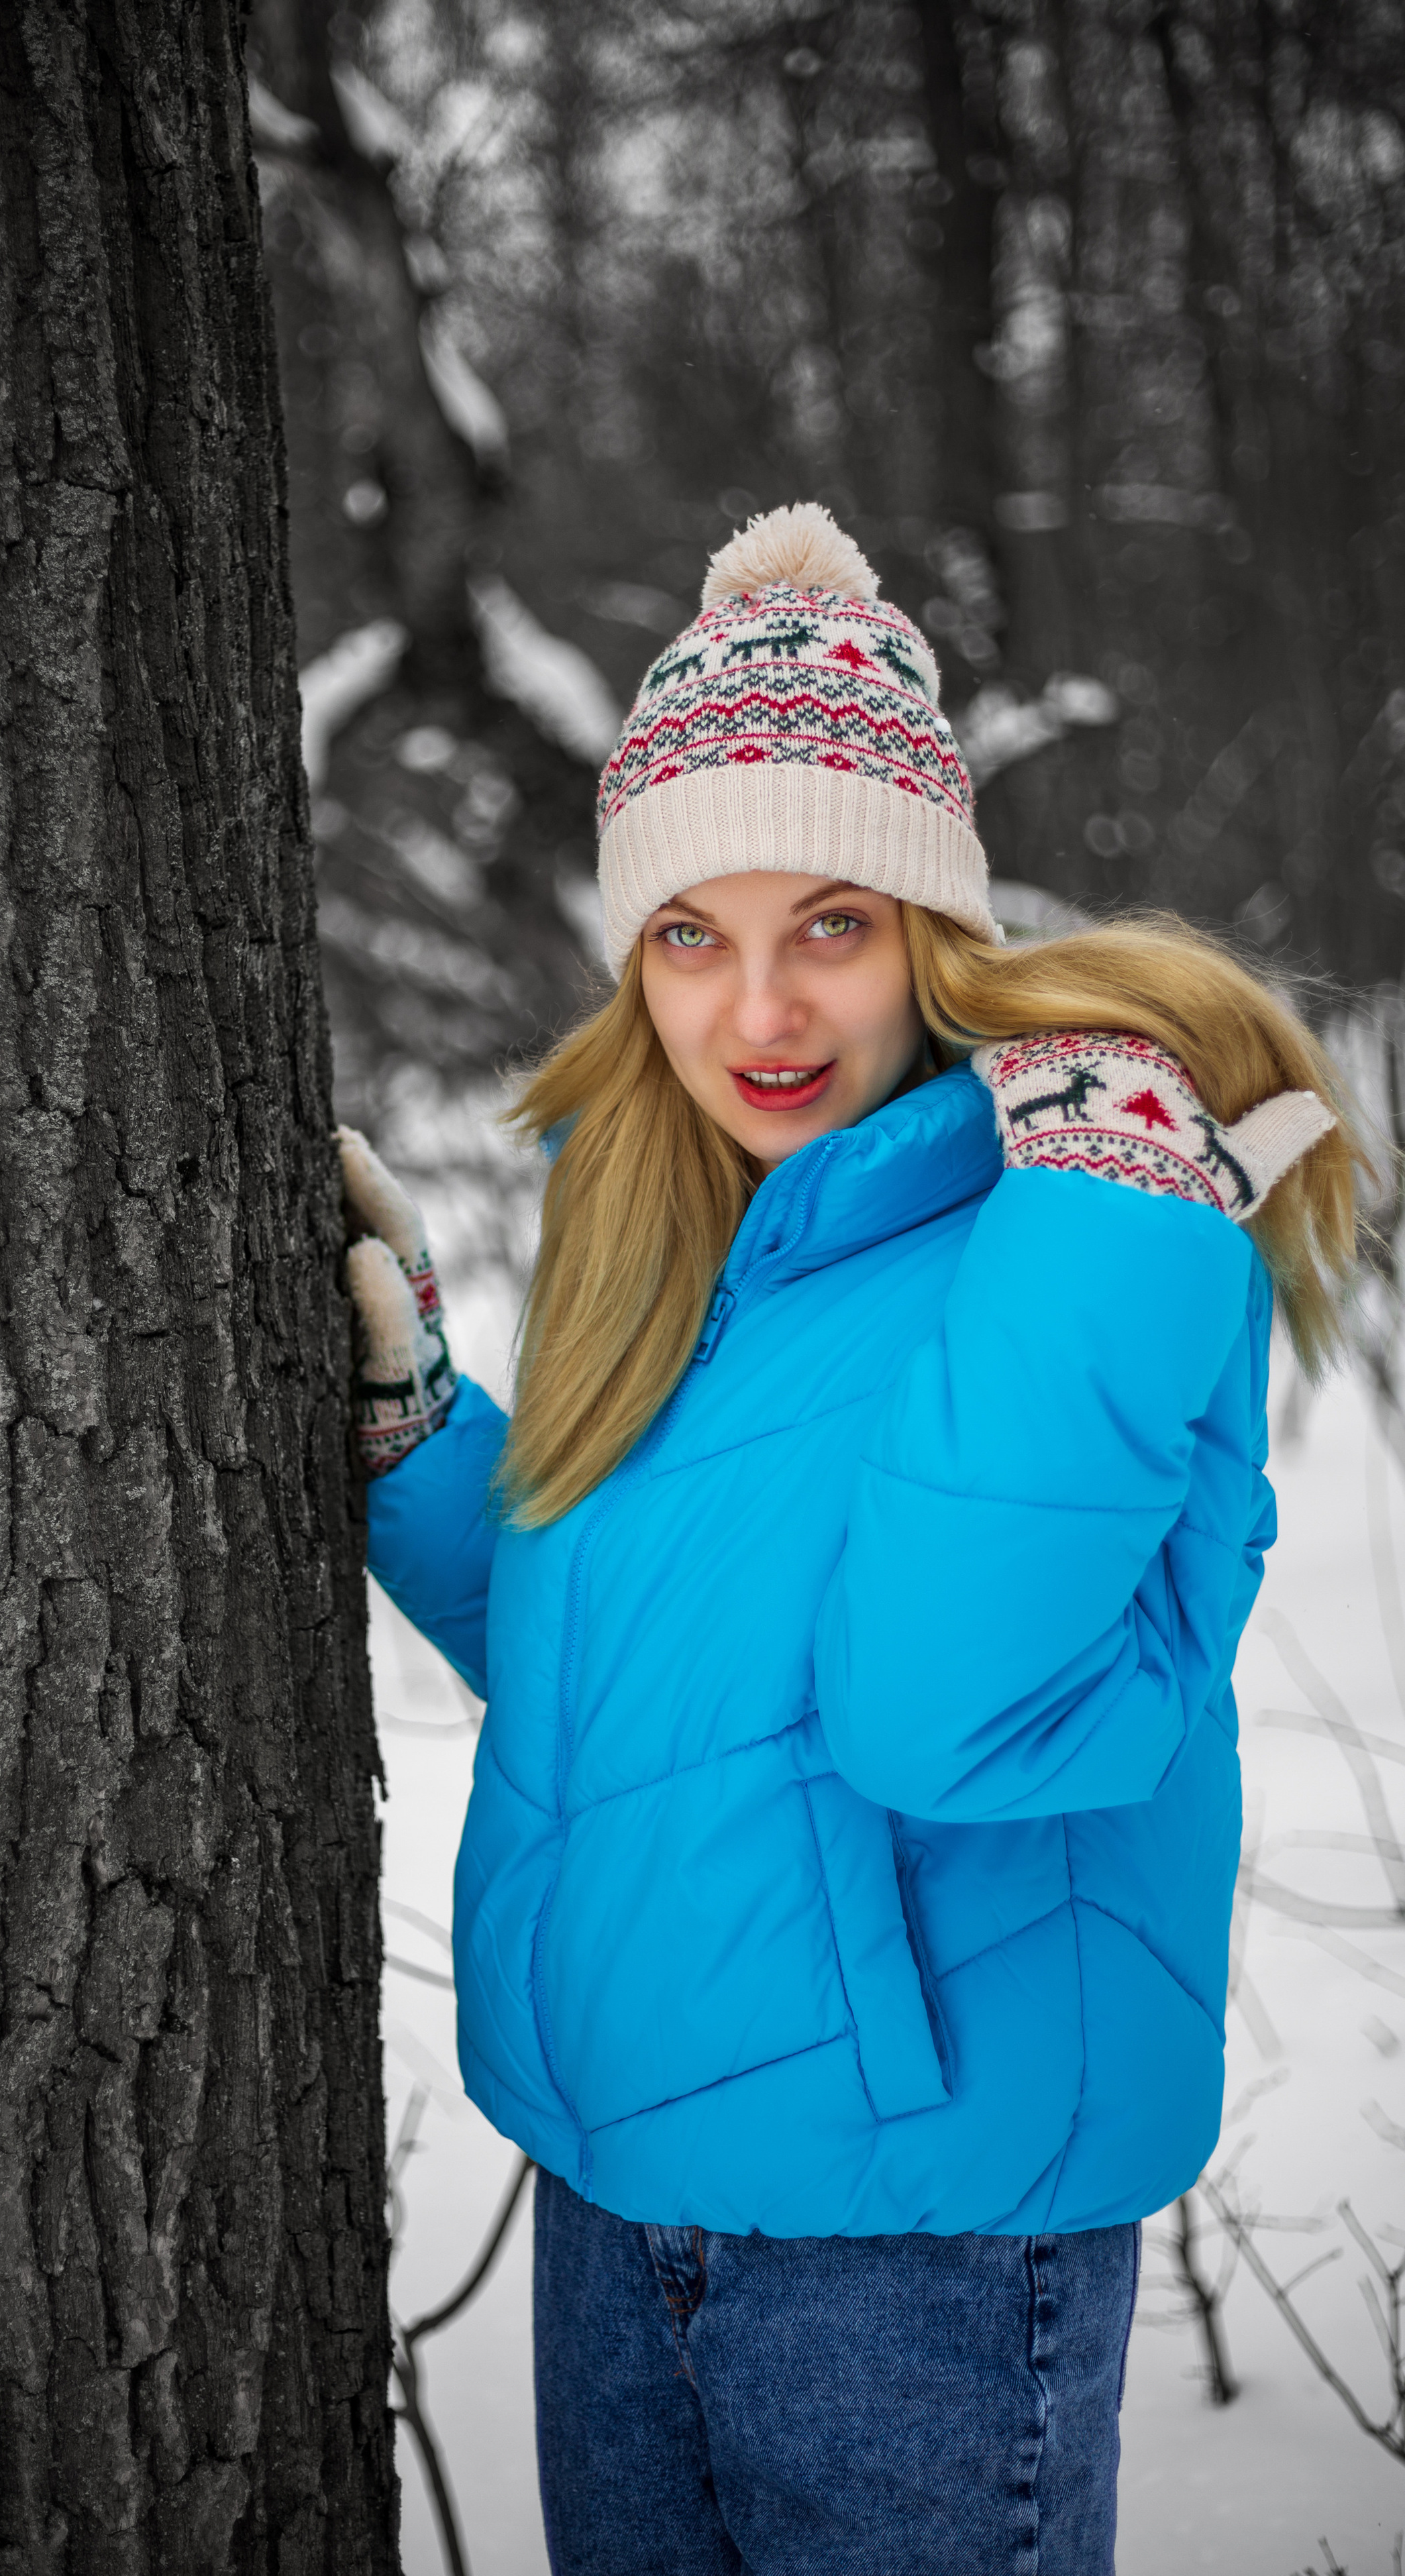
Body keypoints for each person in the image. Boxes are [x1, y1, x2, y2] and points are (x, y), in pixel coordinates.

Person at [337, 503, 1359, 2574]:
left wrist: (1113, 1184)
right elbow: (627, 1677)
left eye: (834, 921)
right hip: (621, 2223)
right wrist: (414, 1425)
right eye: (690, 934)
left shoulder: (1078, 1235)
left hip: (910, 2270)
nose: (758, 1010)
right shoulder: (716, 1251)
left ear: (936, 931)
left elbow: (940, 1707)